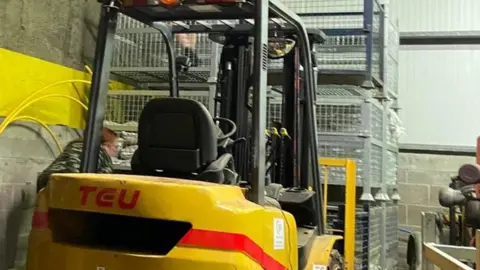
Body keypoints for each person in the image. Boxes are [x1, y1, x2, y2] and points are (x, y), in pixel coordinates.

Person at [36, 127, 119, 192]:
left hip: (47, 180)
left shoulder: (74, 145)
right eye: (115, 146)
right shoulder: (102, 154)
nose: (116, 150)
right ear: (106, 145)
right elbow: (104, 182)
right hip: (71, 185)